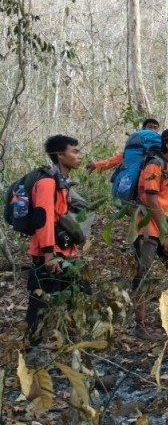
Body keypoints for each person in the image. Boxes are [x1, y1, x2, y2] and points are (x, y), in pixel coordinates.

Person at [26, 135, 89, 343]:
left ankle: (73, 349)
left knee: (80, 297)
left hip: (66, 253)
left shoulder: (63, 182)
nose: (79, 155)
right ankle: (30, 356)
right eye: (74, 151)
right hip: (49, 254)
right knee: (40, 306)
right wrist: (48, 255)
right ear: (60, 155)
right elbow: (42, 220)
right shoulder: (46, 183)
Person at [131, 127, 168, 339]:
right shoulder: (154, 166)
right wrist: (164, 234)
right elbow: (150, 200)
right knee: (144, 273)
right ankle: (140, 325)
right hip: (147, 226)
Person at [86, 118, 160, 172]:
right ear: (143, 128)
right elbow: (118, 158)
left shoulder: (163, 144)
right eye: (150, 127)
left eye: (155, 127)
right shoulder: (136, 145)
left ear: (158, 130)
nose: (152, 130)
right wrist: (96, 165)